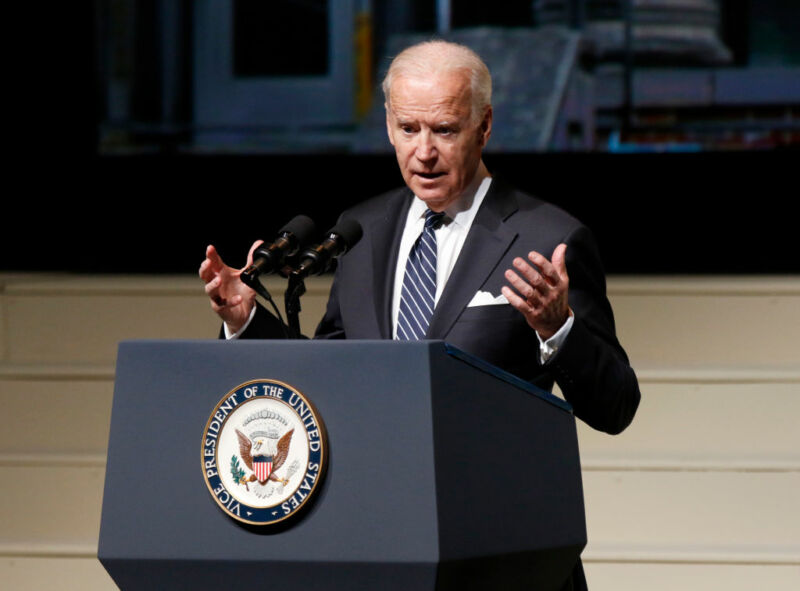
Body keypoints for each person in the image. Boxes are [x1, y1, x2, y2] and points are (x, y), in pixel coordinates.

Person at [200, 40, 639, 589]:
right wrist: (246, 322)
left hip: (499, 557)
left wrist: (558, 327)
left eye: (445, 131)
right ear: (387, 126)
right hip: (375, 547)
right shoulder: (359, 232)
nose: (424, 152)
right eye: (409, 129)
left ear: (484, 126)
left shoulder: (549, 237)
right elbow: (322, 385)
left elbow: (616, 405)